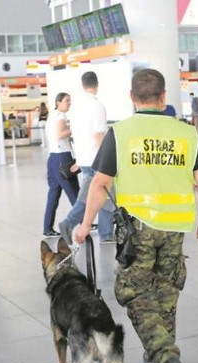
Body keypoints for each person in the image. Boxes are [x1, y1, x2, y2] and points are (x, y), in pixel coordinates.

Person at [73, 68, 198, 363]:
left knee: (132, 291)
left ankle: (164, 352)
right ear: (163, 97)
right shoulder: (186, 133)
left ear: (132, 98)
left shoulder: (121, 133)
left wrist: (84, 224)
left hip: (138, 229)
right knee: (166, 291)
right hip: (175, 226)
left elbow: (100, 183)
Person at [58, 71, 115, 244]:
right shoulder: (97, 106)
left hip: (83, 158)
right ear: (97, 85)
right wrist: (110, 156)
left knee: (103, 194)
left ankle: (106, 234)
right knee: (94, 195)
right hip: (96, 158)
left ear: (83, 86)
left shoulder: (75, 107)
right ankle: (69, 222)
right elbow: (98, 136)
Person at [43, 93, 80, 237]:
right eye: (66, 101)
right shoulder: (61, 116)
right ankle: (84, 222)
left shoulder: (51, 116)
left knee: (53, 194)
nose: (69, 103)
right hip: (62, 157)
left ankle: (47, 227)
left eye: (70, 100)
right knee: (74, 192)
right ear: (58, 102)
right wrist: (74, 129)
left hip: (52, 158)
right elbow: (60, 134)